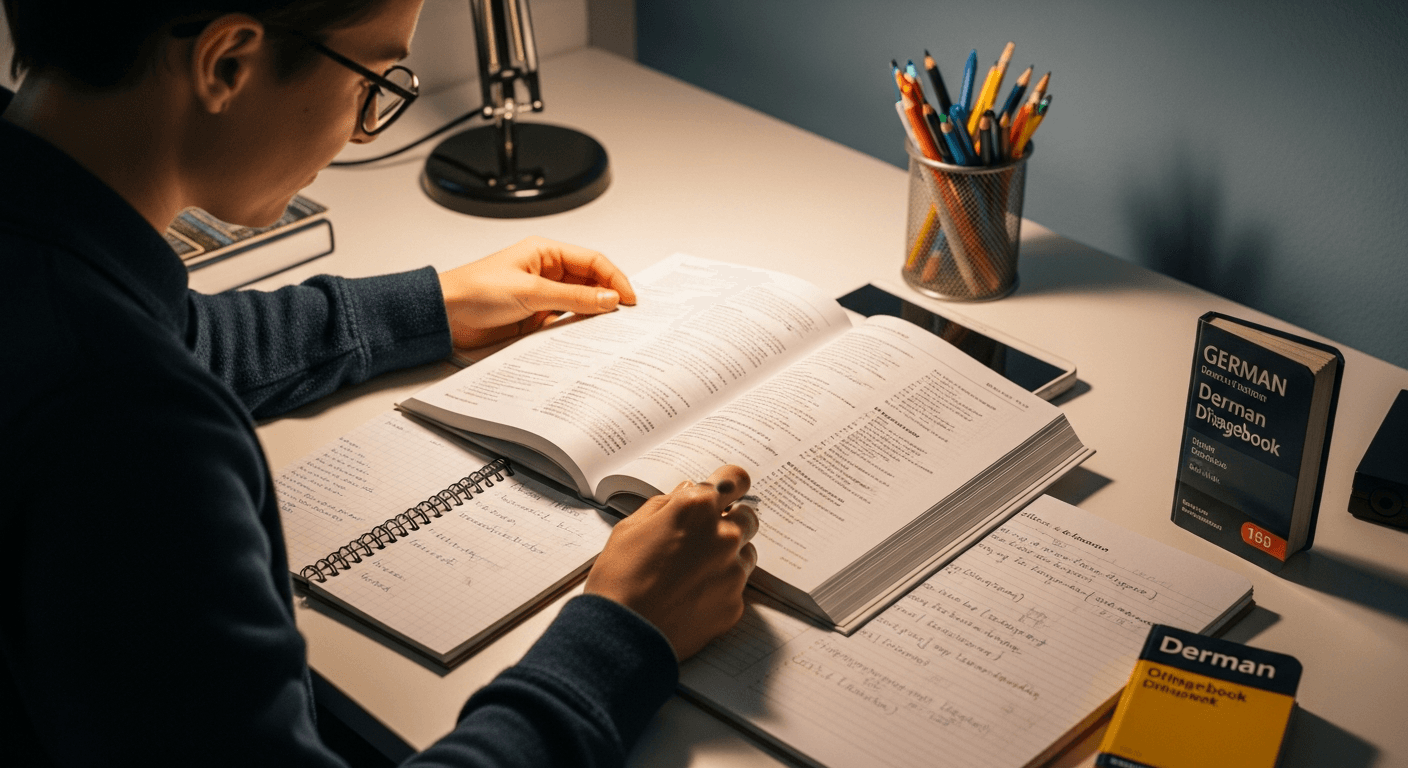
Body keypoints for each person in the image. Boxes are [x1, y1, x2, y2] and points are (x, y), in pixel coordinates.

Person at [0, 0, 759, 765]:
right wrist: (624, 632)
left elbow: (169, 328)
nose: (362, 126)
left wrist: (427, 306)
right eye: (372, 80)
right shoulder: (126, 429)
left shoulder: (46, 248)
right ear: (228, 61)